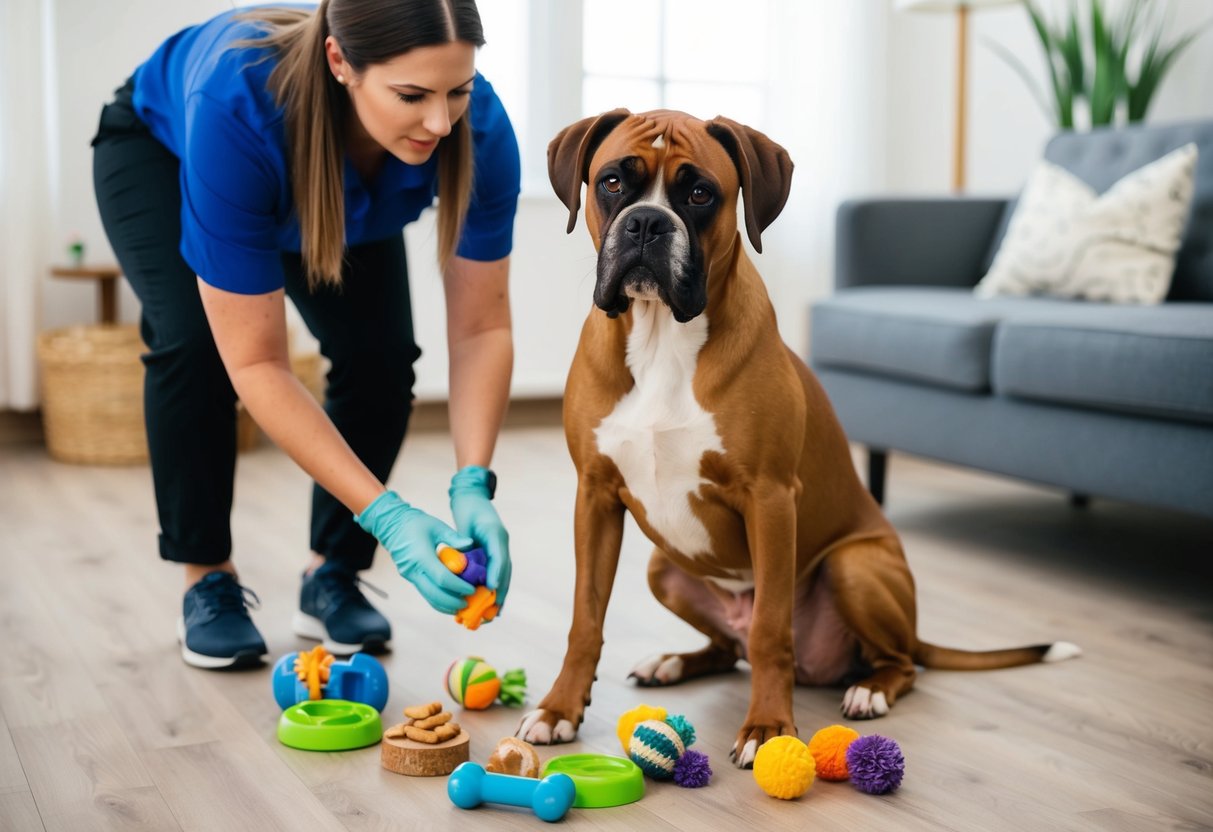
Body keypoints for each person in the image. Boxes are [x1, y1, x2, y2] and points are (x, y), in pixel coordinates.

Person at [91, 0, 519, 669]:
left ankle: (332, 576)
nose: (440, 121)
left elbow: (481, 326)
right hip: (166, 152)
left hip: (341, 182)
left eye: (457, 91)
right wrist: (387, 515)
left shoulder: (476, 130)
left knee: (378, 358)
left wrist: (472, 482)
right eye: (412, 95)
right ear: (340, 62)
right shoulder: (236, 98)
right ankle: (206, 579)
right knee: (197, 346)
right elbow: (258, 362)